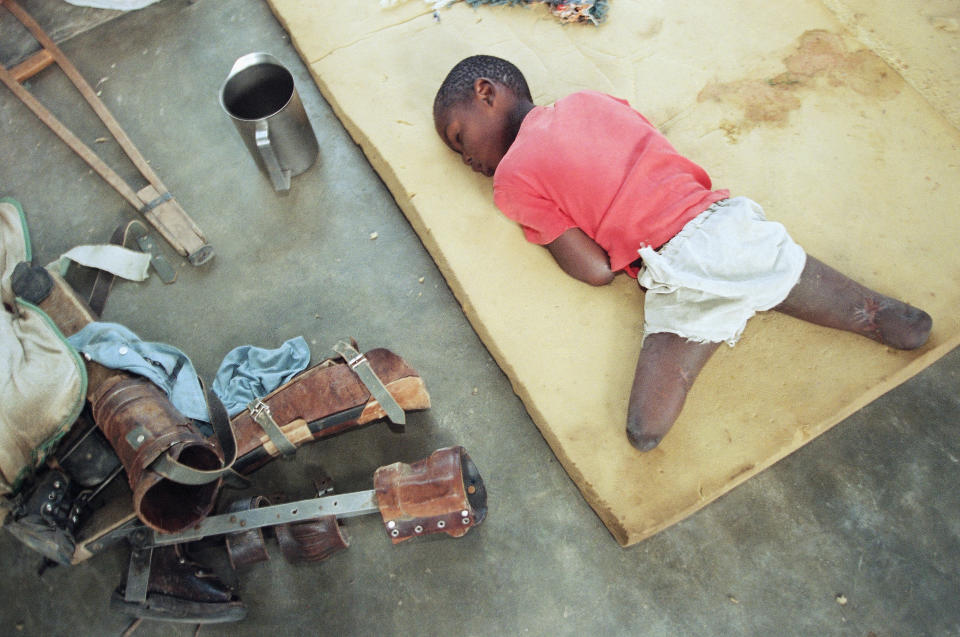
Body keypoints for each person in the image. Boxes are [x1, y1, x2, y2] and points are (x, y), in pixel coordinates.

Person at [432, 54, 932, 452]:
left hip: (673, 270)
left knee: (643, 431)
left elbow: (598, 271)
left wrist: (555, 234)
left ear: (487, 93)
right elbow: (647, 141)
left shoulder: (511, 178)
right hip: (728, 226)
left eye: (460, 139)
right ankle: (869, 313)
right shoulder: (590, 99)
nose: (468, 160)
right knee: (787, 275)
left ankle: (723, 315)